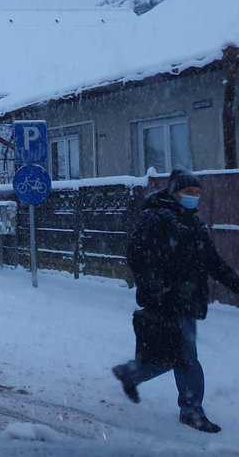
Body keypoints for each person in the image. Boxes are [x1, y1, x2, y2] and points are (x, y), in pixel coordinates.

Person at [112, 169, 239, 433]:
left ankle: (131, 373)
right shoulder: (155, 218)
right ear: (174, 192)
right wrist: (156, 287)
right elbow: (137, 255)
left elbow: (212, 261)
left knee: (172, 355)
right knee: (186, 357)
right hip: (166, 299)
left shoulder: (192, 222)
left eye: (196, 193)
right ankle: (191, 411)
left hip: (187, 300)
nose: (193, 197)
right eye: (188, 192)